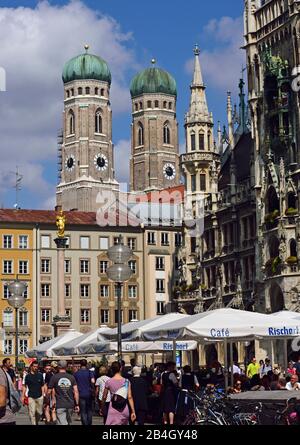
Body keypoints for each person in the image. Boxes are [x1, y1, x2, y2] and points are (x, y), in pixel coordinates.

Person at [101, 361, 136, 425]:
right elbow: (129, 397)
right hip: (124, 408)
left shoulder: (109, 382)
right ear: (121, 368)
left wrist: (102, 407)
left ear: (112, 369)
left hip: (113, 408)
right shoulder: (126, 381)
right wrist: (133, 411)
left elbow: (104, 396)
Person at [48, 359, 80, 425]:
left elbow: (49, 391)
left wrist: (47, 401)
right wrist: (77, 404)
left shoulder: (54, 377)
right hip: (70, 404)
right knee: (66, 422)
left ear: (58, 367)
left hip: (60, 404)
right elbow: (76, 391)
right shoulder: (71, 377)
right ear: (66, 367)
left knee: (63, 423)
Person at [22, 361, 45, 425]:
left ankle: (36, 422)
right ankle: (33, 423)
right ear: (31, 367)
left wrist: (43, 395)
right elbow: (25, 386)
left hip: (39, 396)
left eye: (37, 367)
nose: (36, 368)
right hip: (31, 396)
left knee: (39, 412)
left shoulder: (40, 375)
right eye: (34, 366)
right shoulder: (27, 376)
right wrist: (23, 396)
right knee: (32, 412)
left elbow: (42, 386)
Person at [74, 359, 95, 425]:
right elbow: (93, 381)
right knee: (89, 410)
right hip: (89, 393)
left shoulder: (76, 373)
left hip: (80, 394)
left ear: (80, 364)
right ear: (86, 364)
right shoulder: (90, 372)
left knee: (83, 411)